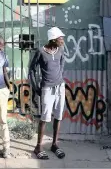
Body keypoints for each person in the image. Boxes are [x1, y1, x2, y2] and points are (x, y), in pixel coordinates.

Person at [29, 27, 66, 160]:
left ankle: (54, 144)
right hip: (47, 89)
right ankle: (38, 147)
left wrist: (60, 80)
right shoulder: (40, 52)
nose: (62, 40)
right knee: (45, 118)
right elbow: (32, 70)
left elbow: (62, 65)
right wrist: (36, 87)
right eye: (60, 38)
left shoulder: (60, 50)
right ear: (53, 39)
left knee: (58, 116)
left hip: (60, 87)